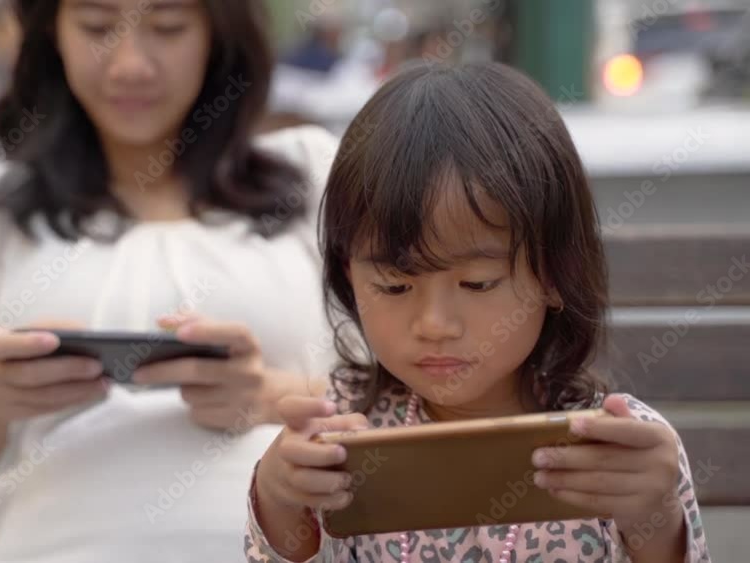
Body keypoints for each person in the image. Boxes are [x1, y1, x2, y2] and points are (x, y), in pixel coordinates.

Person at [0, 0, 340, 561]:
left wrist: (267, 396)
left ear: (217, 34)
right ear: (52, 34)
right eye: (96, 27)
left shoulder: (313, 176)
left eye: (167, 28)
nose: (129, 65)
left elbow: (420, 409)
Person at [246, 62, 712, 562]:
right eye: (394, 285)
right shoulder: (341, 435)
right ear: (349, 275)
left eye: (477, 283)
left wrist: (653, 519)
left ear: (554, 273)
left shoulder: (617, 446)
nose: (435, 325)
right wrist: (279, 502)